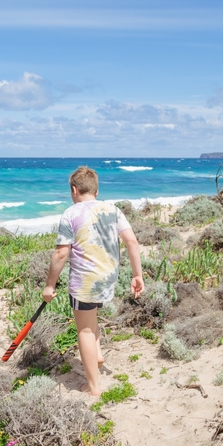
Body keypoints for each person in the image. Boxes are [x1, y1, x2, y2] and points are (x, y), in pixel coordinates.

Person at [42, 166, 144, 396]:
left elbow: (60, 254)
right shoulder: (113, 210)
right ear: (96, 192)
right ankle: (96, 354)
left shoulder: (71, 213)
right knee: (91, 317)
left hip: (85, 282)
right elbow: (132, 242)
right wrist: (137, 275)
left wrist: (49, 285)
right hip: (108, 279)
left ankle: (93, 387)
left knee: (85, 330)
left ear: (74, 190)